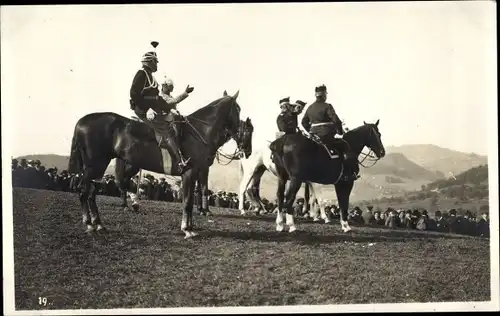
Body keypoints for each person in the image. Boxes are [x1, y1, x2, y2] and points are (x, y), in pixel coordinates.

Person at [129, 42, 194, 174]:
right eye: (155, 62)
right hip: (143, 109)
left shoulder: (150, 76)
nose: (157, 64)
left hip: (152, 108)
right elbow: (134, 94)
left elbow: (157, 100)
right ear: (150, 62)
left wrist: (168, 108)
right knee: (166, 131)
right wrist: (146, 109)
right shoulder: (141, 74)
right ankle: (179, 162)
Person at [301, 84, 359, 181]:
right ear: (324, 95)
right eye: (325, 94)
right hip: (326, 135)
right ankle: (348, 174)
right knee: (344, 145)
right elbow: (336, 120)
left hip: (313, 136)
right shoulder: (327, 106)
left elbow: (304, 122)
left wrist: (311, 132)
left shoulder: (310, 107)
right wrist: (340, 132)